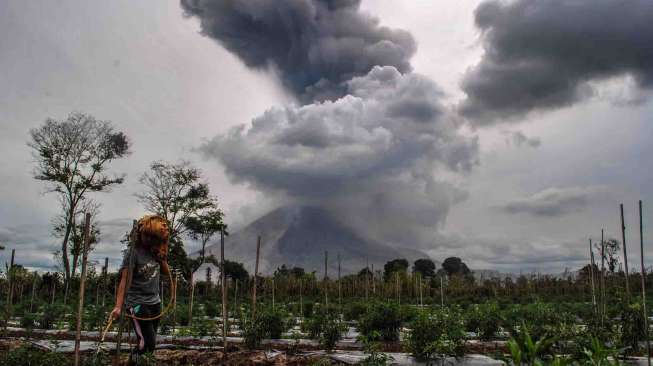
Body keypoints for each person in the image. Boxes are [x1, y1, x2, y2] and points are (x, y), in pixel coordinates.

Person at [111, 215, 172, 363]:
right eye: (147, 236)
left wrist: (161, 257)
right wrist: (118, 307)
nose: (149, 240)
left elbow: (165, 273)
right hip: (137, 304)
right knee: (147, 344)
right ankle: (131, 363)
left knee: (149, 345)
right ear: (140, 233)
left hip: (155, 303)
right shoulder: (133, 254)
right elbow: (125, 280)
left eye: (153, 237)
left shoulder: (154, 251)